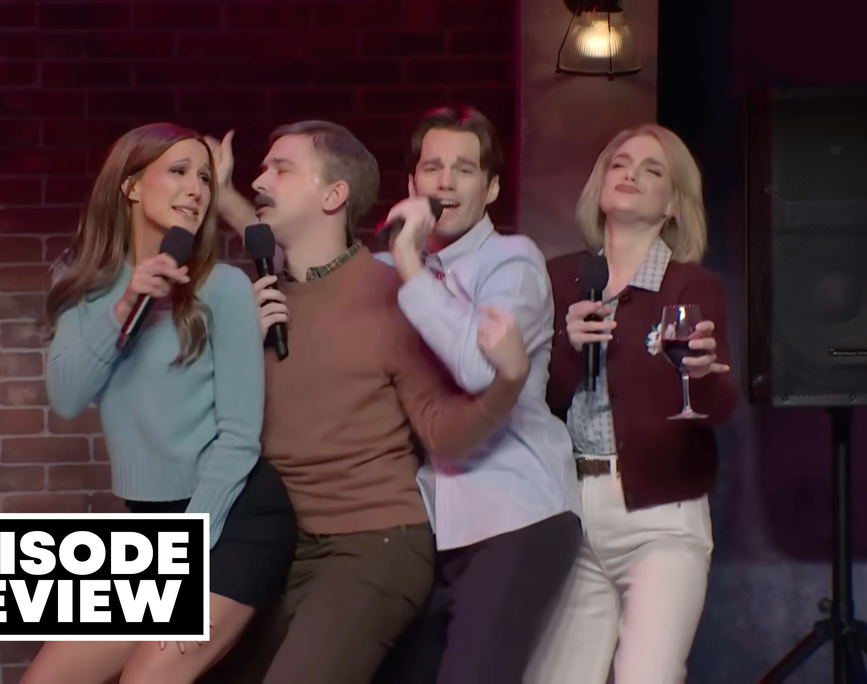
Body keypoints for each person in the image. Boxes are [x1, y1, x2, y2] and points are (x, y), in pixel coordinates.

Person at [202, 121, 532, 684]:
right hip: (271, 543)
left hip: (370, 545)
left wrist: (508, 381)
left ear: (334, 195)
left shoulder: (391, 295)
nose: (260, 180)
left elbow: (443, 429)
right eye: (262, 169)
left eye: (282, 169)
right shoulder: (253, 300)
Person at [24, 123, 296, 684]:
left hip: (230, 519)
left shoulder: (222, 288)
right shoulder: (83, 284)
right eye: (178, 172)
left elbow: (239, 437)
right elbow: (68, 396)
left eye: (204, 178)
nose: (196, 188)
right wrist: (128, 303)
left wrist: (186, 553)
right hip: (151, 525)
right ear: (130, 185)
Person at [524, 124, 738, 684]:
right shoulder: (560, 278)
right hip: (572, 513)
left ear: (672, 204)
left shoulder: (692, 286)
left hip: (660, 519)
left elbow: (720, 407)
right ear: (600, 185)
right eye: (620, 164)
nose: (631, 175)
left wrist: (702, 375)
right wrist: (566, 348)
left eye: (652, 170)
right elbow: (535, 405)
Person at [377, 105, 582, 684]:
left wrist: (409, 264)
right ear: (412, 185)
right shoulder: (394, 268)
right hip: (434, 522)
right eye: (432, 167)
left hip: (514, 510)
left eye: (464, 170)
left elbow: (478, 368)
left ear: (490, 189)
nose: (445, 182)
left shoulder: (512, 260)